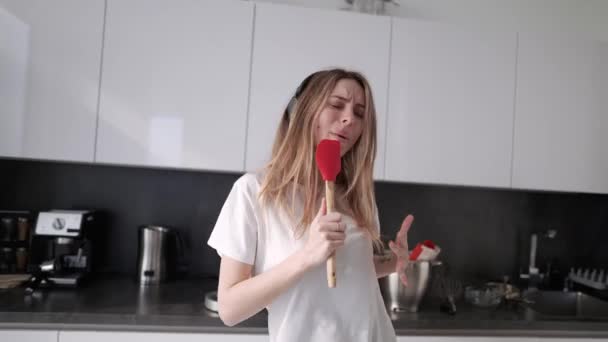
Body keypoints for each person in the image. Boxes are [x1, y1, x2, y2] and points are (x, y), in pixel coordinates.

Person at [207, 68, 413, 342]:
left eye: (360, 113)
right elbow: (230, 309)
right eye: (337, 105)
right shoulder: (255, 192)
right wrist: (306, 256)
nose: (349, 118)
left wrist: (392, 262)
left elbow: (347, 269)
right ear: (304, 111)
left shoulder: (356, 196)